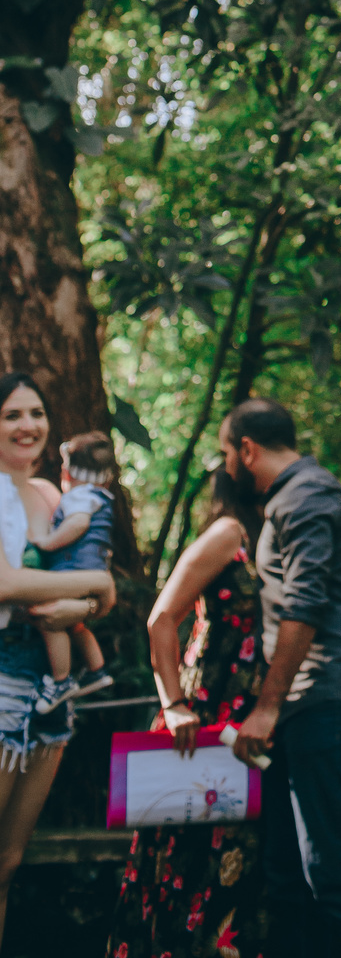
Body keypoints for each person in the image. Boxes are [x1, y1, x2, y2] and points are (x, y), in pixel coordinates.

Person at [221, 397, 341, 958]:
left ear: (246, 449)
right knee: (287, 874)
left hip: (326, 699)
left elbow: (308, 603)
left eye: (226, 454)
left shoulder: (305, 495)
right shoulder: (305, 495)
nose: (226, 467)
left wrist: (267, 706)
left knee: (335, 874)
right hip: (306, 706)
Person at [106, 461, 267, 958]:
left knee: (233, 869)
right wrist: (173, 703)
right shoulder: (228, 532)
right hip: (200, 717)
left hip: (252, 726)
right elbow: (162, 619)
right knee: (178, 863)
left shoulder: (282, 534)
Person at [0, 373, 116, 946]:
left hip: (48, 680)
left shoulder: (52, 495)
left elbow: (81, 598)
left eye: (37, 413)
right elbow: (4, 583)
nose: (29, 426)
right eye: (12, 415)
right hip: (1, 676)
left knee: (9, 861)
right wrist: (94, 585)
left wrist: (80, 598)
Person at [30, 431, 117, 712]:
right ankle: (97, 669)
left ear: (69, 472)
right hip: (92, 572)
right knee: (75, 625)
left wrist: (47, 541)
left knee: (51, 619)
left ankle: (60, 680)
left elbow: (77, 525)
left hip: (74, 570)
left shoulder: (79, 497)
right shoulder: (100, 496)